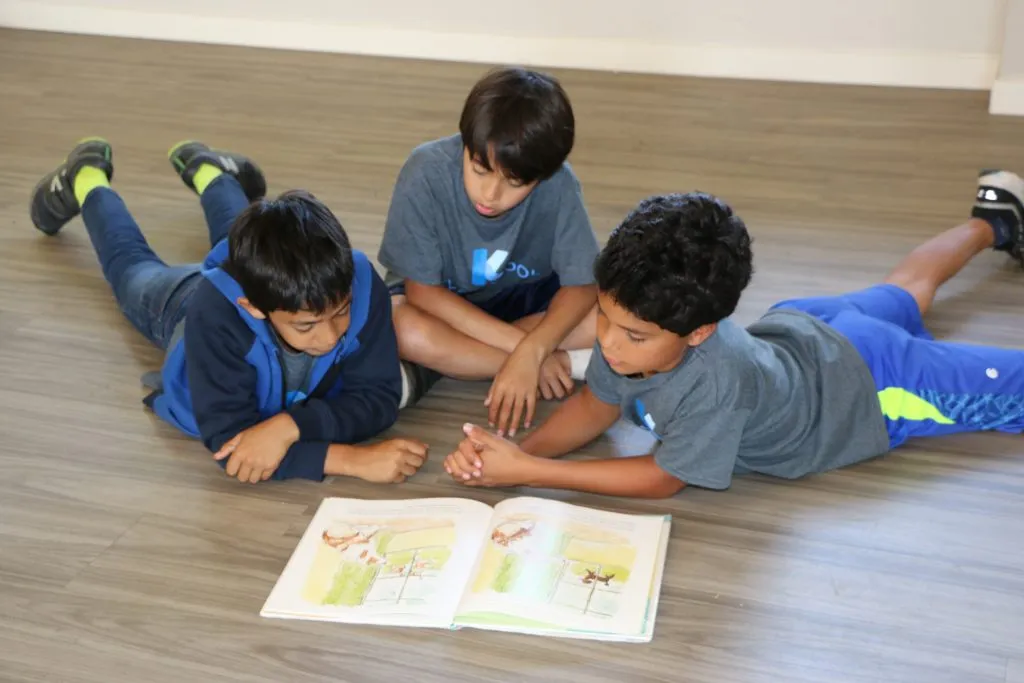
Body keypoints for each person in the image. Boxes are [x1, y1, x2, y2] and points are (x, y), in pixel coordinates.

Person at [443, 171, 1024, 498]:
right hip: (811, 329)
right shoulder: (637, 322)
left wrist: (531, 471)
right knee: (907, 289)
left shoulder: (718, 383)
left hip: (873, 385)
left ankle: (995, 222)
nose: (610, 344)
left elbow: (662, 477)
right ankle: (996, 221)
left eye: (635, 337)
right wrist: (517, 453)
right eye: (604, 319)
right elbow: (597, 404)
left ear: (699, 332)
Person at [30, 138, 428, 484]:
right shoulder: (216, 315)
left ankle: (209, 170)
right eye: (306, 326)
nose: (330, 337)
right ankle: (86, 180)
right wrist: (351, 460)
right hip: (185, 304)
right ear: (252, 307)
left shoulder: (358, 283)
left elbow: (378, 397)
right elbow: (234, 446)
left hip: (262, 286)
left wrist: (288, 426)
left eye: (341, 312)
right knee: (131, 267)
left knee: (237, 230)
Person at [379, 66, 600, 438]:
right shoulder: (425, 171)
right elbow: (423, 292)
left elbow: (582, 287)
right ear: (466, 144)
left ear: (544, 174)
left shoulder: (560, 184)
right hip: (441, 303)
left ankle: (438, 368)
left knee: (617, 312)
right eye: (480, 169)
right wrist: (530, 351)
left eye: (514, 182)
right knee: (398, 325)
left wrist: (532, 351)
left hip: (524, 298)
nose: (491, 195)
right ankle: (567, 363)